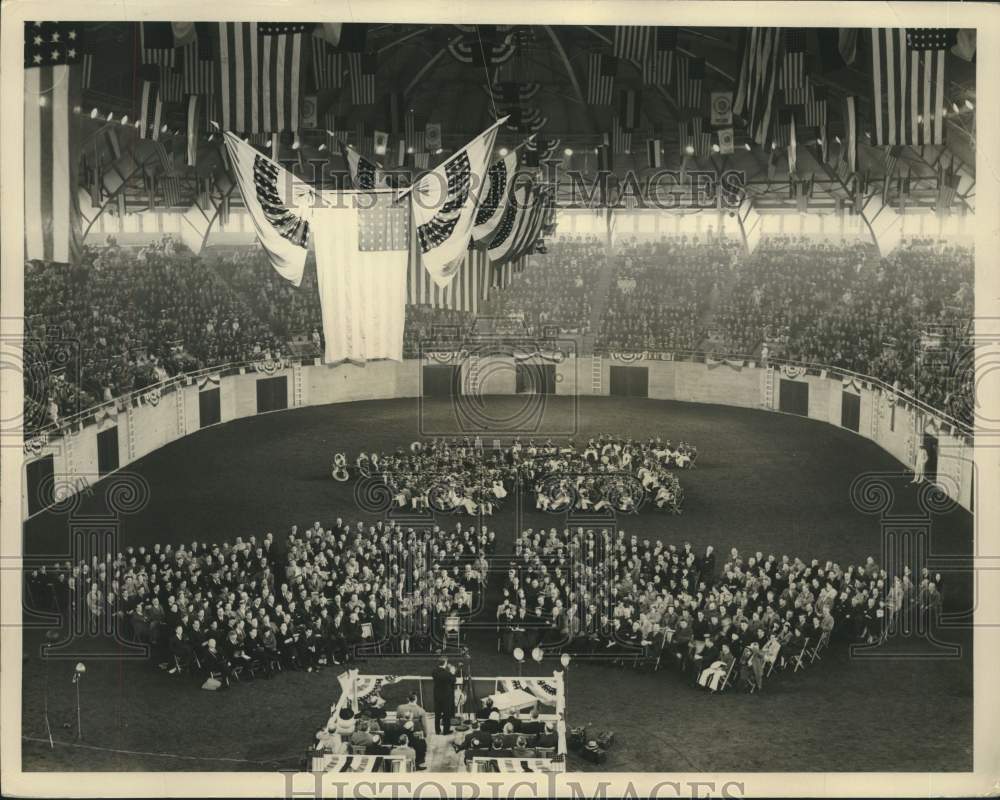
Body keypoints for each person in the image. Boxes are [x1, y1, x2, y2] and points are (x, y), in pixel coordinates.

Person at [432, 656, 457, 735]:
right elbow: (453, 680)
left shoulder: (434, 672)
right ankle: (446, 731)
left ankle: (437, 730)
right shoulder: (447, 674)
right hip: (446, 697)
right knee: (446, 714)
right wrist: (452, 672)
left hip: (437, 696)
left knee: (437, 714)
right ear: (445, 663)